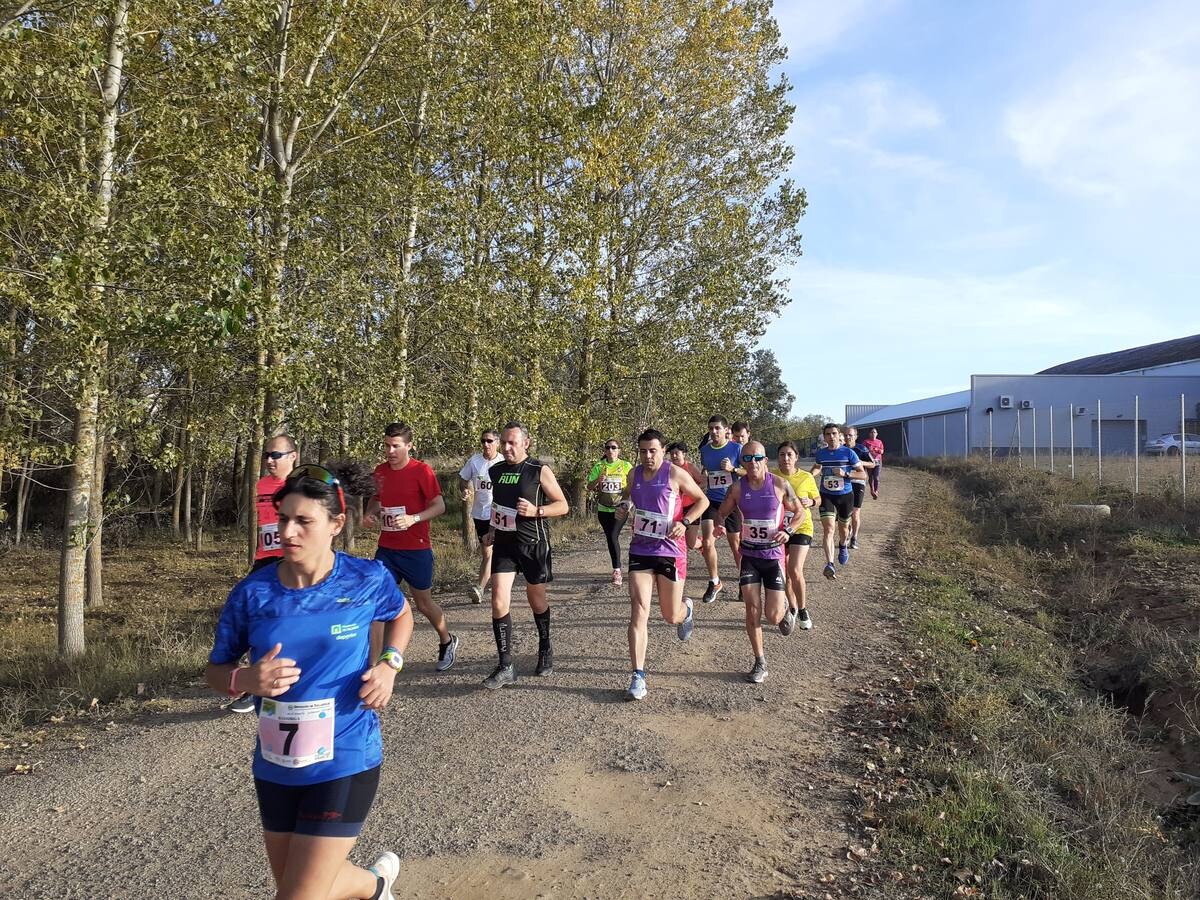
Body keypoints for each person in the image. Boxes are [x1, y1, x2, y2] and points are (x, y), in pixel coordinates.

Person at [206, 463, 411, 900]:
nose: (288, 532)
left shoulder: (365, 579)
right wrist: (245, 678)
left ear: (336, 524)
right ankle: (376, 886)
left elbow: (401, 615)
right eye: (283, 519)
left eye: (303, 521)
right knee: (301, 886)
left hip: (346, 754)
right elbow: (217, 670)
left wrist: (390, 664)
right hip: (276, 761)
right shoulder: (252, 594)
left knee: (299, 896)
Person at [616, 429, 709, 701]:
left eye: (653, 451)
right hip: (641, 549)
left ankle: (686, 611)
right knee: (639, 610)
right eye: (643, 451)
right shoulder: (633, 474)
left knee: (670, 615)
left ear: (663, 450)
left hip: (670, 550)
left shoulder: (675, 474)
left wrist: (686, 522)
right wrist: (625, 506)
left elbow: (702, 500)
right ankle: (638, 675)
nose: (647, 456)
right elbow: (628, 495)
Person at [363, 422, 459, 672]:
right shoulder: (380, 471)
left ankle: (447, 640)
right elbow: (375, 499)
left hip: (416, 549)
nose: (390, 451)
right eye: (386, 445)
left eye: (396, 446)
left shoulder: (422, 471)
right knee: (377, 602)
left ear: (409, 446)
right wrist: (370, 514)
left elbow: (440, 506)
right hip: (387, 548)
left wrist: (413, 518)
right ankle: (373, 665)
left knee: (424, 604)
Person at [482, 422, 570, 689]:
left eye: (513, 443)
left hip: (533, 543)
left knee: (536, 599)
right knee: (498, 600)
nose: (507, 448)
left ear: (526, 444)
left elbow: (563, 505)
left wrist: (536, 511)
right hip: (505, 544)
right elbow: (498, 506)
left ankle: (545, 647)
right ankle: (506, 664)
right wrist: (491, 530)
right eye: (504, 443)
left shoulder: (537, 470)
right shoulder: (495, 471)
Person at [713, 441, 800, 683]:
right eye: (747, 459)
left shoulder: (780, 485)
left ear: (765, 458)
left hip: (773, 557)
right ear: (742, 462)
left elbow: (799, 512)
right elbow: (722, 511)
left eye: (757, 458)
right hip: (749, 556)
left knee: (772, 617)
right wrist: (720, 523)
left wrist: (789, 531)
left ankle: (782, 607)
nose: (753, 463)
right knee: (752, 610)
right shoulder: (738, 488)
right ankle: (759, 661)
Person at [229, 433, 300, 714]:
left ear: (293, 456)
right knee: (252, 617)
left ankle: (296, 675)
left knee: (292, 620)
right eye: (266, 455)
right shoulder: (260, 485)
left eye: (276, 455)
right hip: (264, 560)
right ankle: (253, 684)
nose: (269, 460)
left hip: (292, 560)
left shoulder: (301, 485)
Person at [774, 440, 820, 630]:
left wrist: (811, 502)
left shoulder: (806, 477)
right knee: (783, 573)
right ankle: (791, 607)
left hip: (801, 527)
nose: (786, 458)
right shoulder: (772, 477)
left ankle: (802, 609)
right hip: (779, 529)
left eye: (789, 455)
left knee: (794, 569)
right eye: (782, 454)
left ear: (796, 457)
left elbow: (818, 498)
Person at [698, 415, 744, 603]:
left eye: (717, 428)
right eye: (711, 429)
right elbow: (705, 473)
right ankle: (715, 581)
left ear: (726, 430)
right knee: (707, 542)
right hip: (712, 501)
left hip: (732, 502)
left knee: (736, 546)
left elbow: (749, 471)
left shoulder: (737, 448)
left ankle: (744, 581)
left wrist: (733, 469)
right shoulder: (705, 450)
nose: (714, 432)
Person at [811, 423, 865, 581]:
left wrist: (845, 474)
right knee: (828, 529)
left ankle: (843, 545)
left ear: (838, 434)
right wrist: (808, 476)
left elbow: (863, 475)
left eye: (834, 433)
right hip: (826, 495)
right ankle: (830, 564)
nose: (831, 436)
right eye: (828, 434)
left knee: (843, 529)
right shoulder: (821, 453)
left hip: (845, 495)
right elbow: (817, 467)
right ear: (825, 437)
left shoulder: (848, 453)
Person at [459, 429, 501, 603]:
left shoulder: (504, 462)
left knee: (493, 551)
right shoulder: (474, 461)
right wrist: (465, 490)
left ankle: (482, 587)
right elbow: (463, 478)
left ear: (497, 443)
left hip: (501, 513)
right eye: (483, 441)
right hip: (481, 514)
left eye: (490, 441)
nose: (486, 444)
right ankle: (483, 587)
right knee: (487, 551)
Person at [586, 438, 634, 585]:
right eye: (608, 448)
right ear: (604, 451)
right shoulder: (599, 466)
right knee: (610, 538)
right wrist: (598, 481)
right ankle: (618, 566)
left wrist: (629, 502)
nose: (611, 450)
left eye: (614, 447)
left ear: (619, 450)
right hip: (603, 508)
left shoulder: (626, 466)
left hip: (620, 508)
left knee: (613, 536)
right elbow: (589, 487)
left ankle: (617, 571)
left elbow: (633, 485)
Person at [666, 441, 704, 552]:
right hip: (676, 509)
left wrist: (691, 490)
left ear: (684, 454)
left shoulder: (689, 467)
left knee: (691, 543)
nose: (674, 456)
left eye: (676, 453)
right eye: (672, 453)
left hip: (691, 507)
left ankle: (702, 544)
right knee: (674, 537)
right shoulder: (669, 468)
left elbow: (704, 481)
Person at [843, 426, 876, 550]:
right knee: (845, 513)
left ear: (856, 436)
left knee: (855, 513)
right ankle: (847, 532)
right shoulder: (840, 449)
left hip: (858, 481)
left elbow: (873, 464)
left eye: (850, 435)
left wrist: (860, 462)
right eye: (846, 435)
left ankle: (854, 538)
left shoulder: (861, 449)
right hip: (844, 482)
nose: (848, 437)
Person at [862, 427, 884, 499]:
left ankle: (876, 491)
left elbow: (882, 451)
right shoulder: (866, 442)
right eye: (871, 432)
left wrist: (877, 450)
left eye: (874, 432)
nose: (873, 433)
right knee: (870, 476)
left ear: (877, 434)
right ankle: (872, 490)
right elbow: (863, 451)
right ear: (869, 434)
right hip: (869, 462)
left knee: (876, 477)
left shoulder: (879, 442)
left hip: (878, 461)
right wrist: (868, 450)